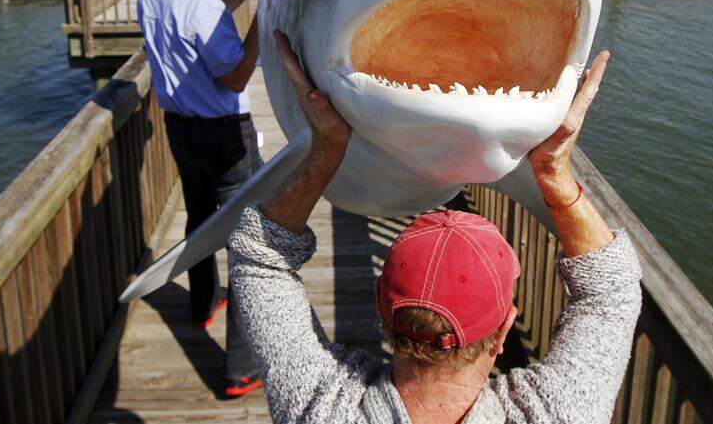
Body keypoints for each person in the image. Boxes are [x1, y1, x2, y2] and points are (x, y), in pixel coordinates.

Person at [226, 30, 642, 423]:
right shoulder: (558, 414)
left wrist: (327, 147)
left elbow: (259, 262)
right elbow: (612, 292)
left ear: (382, 308)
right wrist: (553, 171)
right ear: (503, 331)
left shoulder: (320, 409)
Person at [136, 0, 263, 397]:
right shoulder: (201, 5)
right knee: (248, 246)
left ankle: (202, 304)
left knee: (199, 218)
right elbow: (233, 74)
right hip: (225, 136)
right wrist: (261, 19)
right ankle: (240, 369)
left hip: (180, 130)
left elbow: (197, 25)